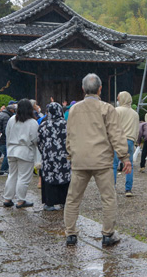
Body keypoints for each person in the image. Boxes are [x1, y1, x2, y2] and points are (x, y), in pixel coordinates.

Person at [64, 73, 130, 248]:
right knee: (108, 198)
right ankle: (107, 234)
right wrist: (124, 157)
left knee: (73, 198)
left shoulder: (74, 109)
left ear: (83, 89)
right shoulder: (106, 108)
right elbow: (116, 134)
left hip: (79, 159)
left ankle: (70, 233)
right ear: (100, 89)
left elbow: (69, 135)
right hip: (101, 160)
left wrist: (70, 154)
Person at [1, 99, 39, 209]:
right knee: (23, 177)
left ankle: (7, 198)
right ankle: (20, 200)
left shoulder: (12, 119)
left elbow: (7, 134)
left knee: (12, 175)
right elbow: (35, 139)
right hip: (25, 151)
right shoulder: (32, 122)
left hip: (12, 150)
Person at [38, 102, 70, 210]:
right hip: (64, 157)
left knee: (49, 178)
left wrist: (44, 151)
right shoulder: (67, 124)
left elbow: (39, 141)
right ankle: (64, 201)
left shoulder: (44, 125)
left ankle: (49, 203)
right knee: (65, 178)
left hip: (48, 157)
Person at [114, 91, 138, 197]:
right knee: (130, 165)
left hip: (118, 140)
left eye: (118, 98)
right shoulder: (135, 113)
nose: (117, 100)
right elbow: (137, 130)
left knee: (114, 165)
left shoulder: (116, 111)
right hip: (130, 140)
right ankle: (128, 189)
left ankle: (112, 188)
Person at [0, 101, 16, 176]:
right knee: (7, 154)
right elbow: (6, 130)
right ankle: (3, 170)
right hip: (2, 139)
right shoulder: (7, 117)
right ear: (11, 110)